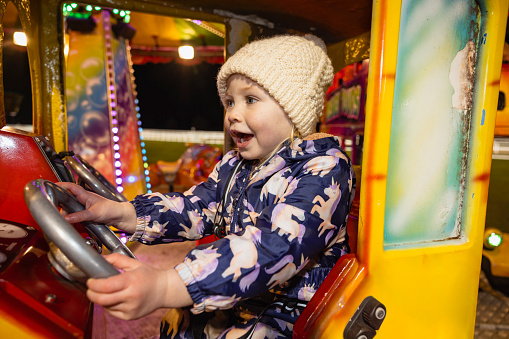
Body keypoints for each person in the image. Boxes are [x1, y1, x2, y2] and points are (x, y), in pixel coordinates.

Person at [59, 34, 355, 339]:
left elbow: (273, 247)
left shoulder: (324, 170)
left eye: (250, 100)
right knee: (177, 325)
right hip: (241, 298)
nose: (232, 115)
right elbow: (194, 207)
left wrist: (166, 286)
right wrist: (120, 213)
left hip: (289, 312)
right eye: (229, 102)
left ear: (293, 110)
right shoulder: (234, 166)